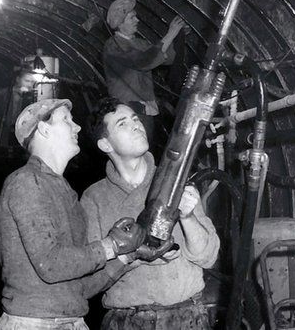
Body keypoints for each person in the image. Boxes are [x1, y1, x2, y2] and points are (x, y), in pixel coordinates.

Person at [0, 99, 145, 330]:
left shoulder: (66, 192)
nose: (76, 127)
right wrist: (111, 245)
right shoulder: (26, 182)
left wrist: (128, 256)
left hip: (70, 322)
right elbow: (51, 264)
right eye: (67, 120)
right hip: (35, 323)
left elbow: (80, 288)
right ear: (44, 130)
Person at [82, 98, 219, 329]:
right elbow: (91, 278)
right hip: (129, 321)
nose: (136, 125)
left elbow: (208, 257)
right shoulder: (94, 199)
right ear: (105, 145)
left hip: (188, 317)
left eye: (136, 119)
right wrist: (137, 257)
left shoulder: (177, 181)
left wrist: (188, 217)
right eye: (122, 124)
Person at [102, 0, 185, 140]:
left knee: (146, 147)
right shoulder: (113, 45)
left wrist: (178, 37)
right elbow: (144, 61)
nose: (137, 20)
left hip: (144, 108)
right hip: (127, 110)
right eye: (131, 17)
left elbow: (168, 58)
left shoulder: (138, 43)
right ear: (120, 23)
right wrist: (171, 33)